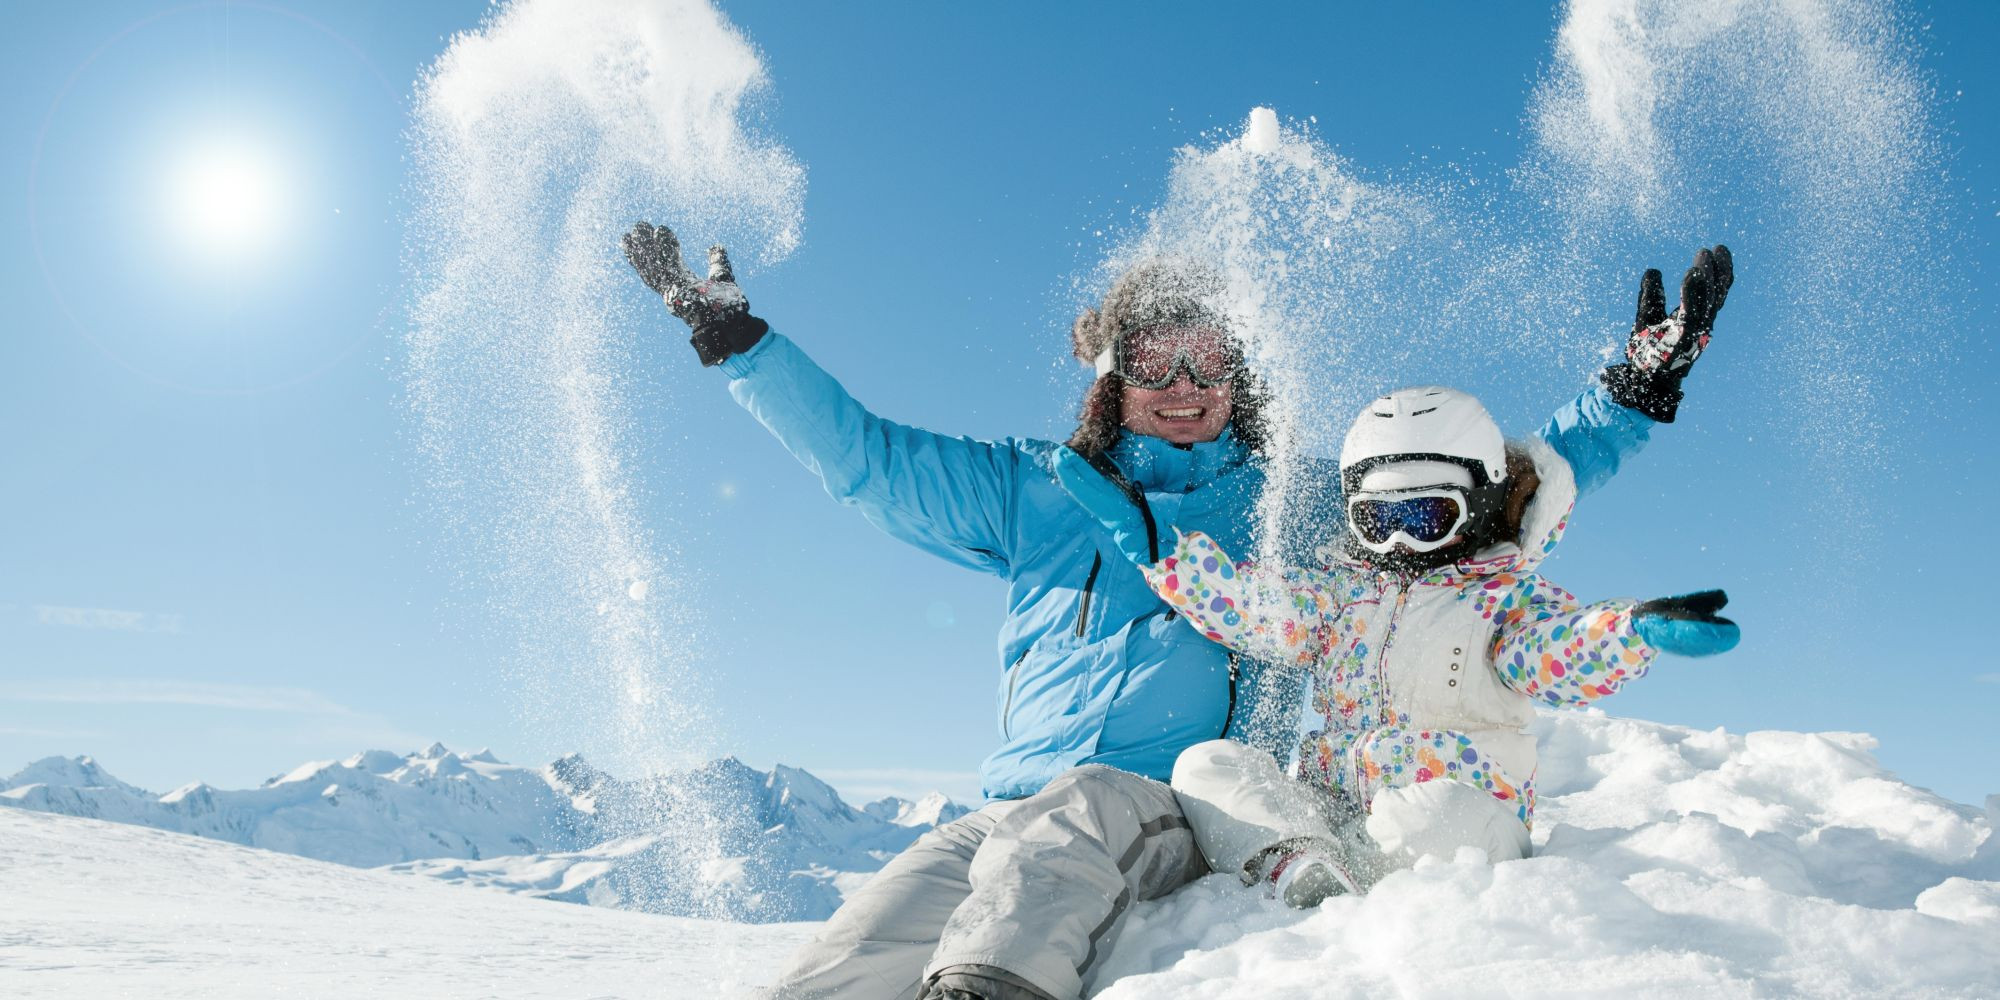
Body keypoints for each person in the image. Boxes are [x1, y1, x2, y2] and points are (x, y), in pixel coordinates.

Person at [620, 221, 1731, 1000]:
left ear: (1241, 375)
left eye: (1210, 359)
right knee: (848, 959)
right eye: (1157, 359)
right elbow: (866, 458)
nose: (1185, 383)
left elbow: (1488, 482)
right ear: (1113, 371)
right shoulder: (1040, 486)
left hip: (1170, 809)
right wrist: (739, 345)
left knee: (1081, 809)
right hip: (1007, 817)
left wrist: (1631, 394)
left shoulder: (1294, 503)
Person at [1059, 385, 1741, 907]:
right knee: (1209, 764)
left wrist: (1630, 632)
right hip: (1336, 811)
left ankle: (1362, 882)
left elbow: (1556, 651)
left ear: (1480, 502)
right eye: (1377, 520)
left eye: (1426, 516)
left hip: (1460, 815)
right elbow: (1254, 610)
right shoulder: (1339, 594)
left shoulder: (1501, 599)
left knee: (1441, 818)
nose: (1399, 541)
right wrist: (1163, 554)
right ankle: (1299, 864)